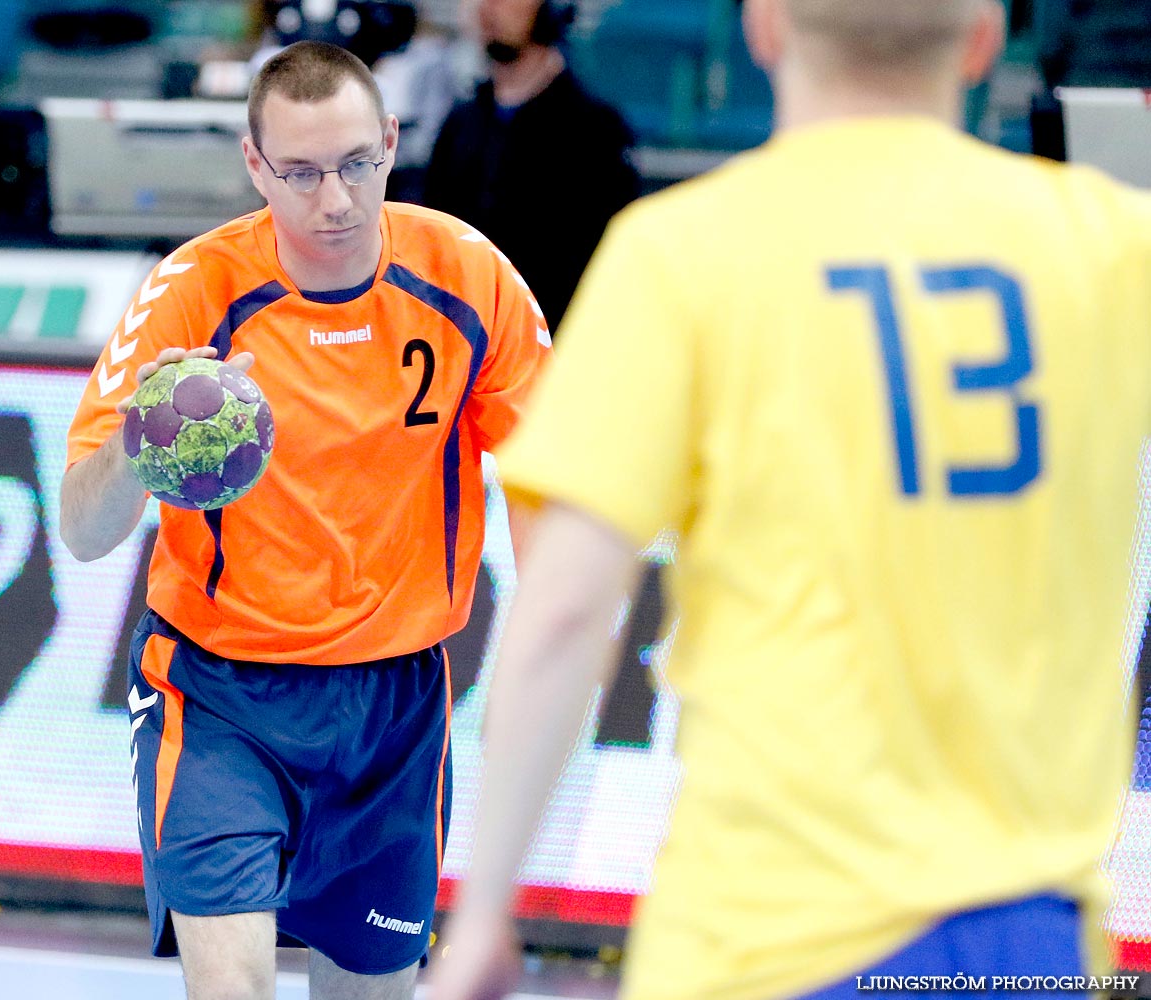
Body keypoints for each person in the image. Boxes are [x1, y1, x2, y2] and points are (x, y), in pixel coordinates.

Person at [429, 0, 1151, 998]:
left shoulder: (682, 252)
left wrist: (480, 915)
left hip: (766, 936)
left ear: (762, 29)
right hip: (1029, 941)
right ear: (984, 38)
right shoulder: (1113, 245)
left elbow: (560, 613)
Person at [60, 40, 548, 1000]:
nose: (336, 200)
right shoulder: (194, 294)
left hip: (395, 709)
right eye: (302, 172)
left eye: (358, 164)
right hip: (219, 698)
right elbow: (82, 528)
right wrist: (141, 442)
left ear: (393, 143)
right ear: (254, 165)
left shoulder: (468, 277)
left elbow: (551, 483)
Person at [421, 0, 640, 336]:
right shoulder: (460, 124)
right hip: (465, 352)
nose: (490, 8)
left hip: (553, 354)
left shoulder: (595, 132)